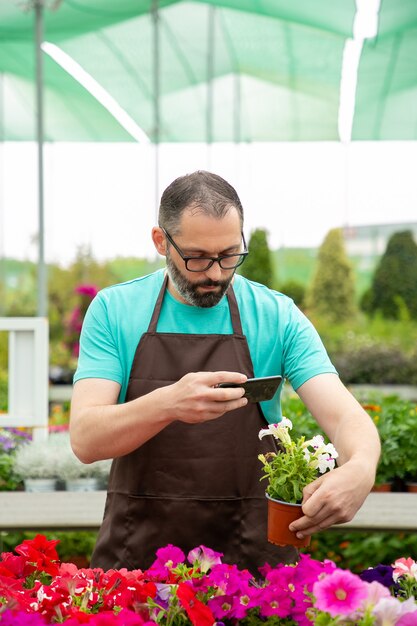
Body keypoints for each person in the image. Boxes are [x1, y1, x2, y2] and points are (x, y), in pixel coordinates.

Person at [70, 170, 380, 574]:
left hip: (249, 561)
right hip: (140, 563)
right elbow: (85, 438)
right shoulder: (115, 311)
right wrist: (168, 403)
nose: (216, 273)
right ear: (161, 241)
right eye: (197, 257)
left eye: (230, 255)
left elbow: (345, 416)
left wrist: (361, 468)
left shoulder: (276, 315)